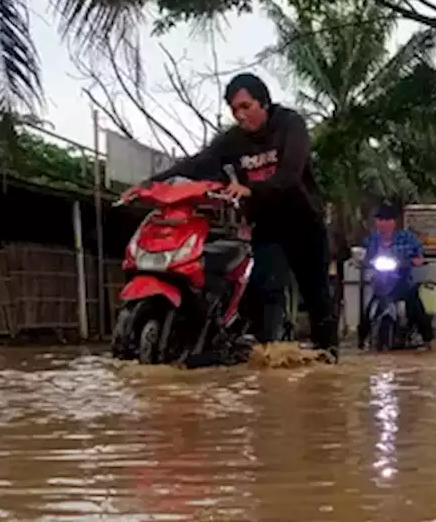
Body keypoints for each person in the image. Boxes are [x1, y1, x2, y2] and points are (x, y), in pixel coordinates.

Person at [121, 73, 339, 360]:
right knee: (266, 284)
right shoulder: (233, 141)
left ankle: (329, 357)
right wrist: (149, 184)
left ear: (263, 103)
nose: (240, 115)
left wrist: (250, 189)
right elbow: (197, 163)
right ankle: (268, 355)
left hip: (304, 222)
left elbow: (289, 174)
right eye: (235, 110)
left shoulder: (289, 124)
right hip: (269, 225)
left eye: (246, 107)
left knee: (317, 296)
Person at [357, 202, 435, 348]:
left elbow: (419, 254)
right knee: (367, 310)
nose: (383, 223)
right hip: (381, 282)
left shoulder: (407, 238)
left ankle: (427, 339)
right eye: (380, 220)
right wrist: (361, 260)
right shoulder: (372, 240)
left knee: (416, 307)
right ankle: (362, 341)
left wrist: (417, 260)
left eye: (387, 220)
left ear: (394, 222)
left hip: (403, 282)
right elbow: (363, 255)